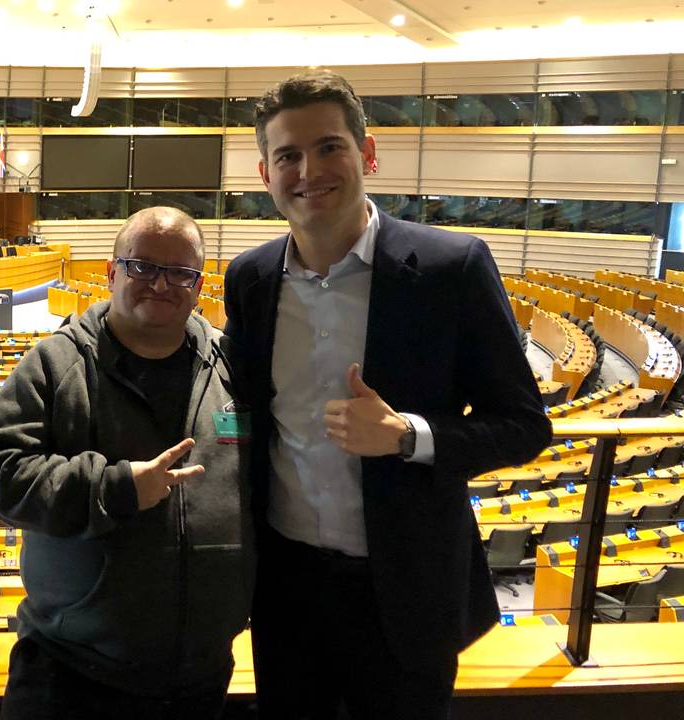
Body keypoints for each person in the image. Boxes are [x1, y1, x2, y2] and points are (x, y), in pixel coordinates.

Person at [222, 71, 552, 719]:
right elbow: (240, 409)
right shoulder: (251, 278)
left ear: (367, 154)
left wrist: (408, 435)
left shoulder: (449, 268)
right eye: (287, 155)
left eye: (329, 147)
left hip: (405, 588)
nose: (308, 169)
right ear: (266, 175)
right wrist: (218, 444)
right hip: (287, 589)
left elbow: (522, 424)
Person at [0, 206, 253, 719]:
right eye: (142, 266)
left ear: (199, 283)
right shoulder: (55, 363)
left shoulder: (233, 367)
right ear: (110, 271)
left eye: (180, 273)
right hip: (71, 677)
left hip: (201, 676)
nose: (160, 284)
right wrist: (114, 489)